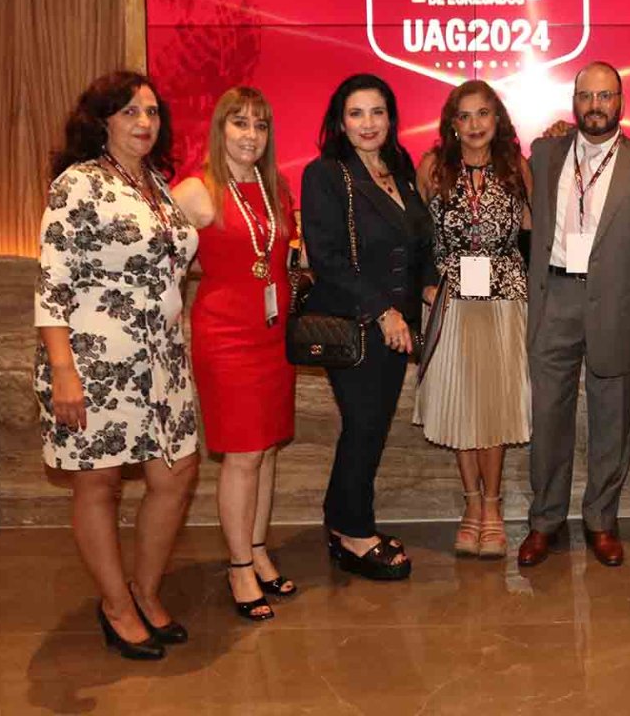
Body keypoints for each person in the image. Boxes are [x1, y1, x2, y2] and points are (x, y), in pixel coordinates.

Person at [35, 70, 199, 660]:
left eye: (152, 111)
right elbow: (52, 282)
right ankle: (116, 606)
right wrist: (64, 372)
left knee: (175, 473)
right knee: (98, 483)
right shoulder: (79, 183)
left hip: (162, 360)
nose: (144, 122)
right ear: (101, 121)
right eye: (130, 111)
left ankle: (145, 592)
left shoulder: (156, 183)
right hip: (94, 361)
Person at [517, 62, 630, 569]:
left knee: (612, 421)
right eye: (586, 96)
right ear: (574, 103)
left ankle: (602, 521)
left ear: (621, 102)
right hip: (554, 300)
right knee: (548, 420)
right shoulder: (545, 154)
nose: (595, 106)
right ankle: (545, 521)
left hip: (617, 308)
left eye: (605, 96)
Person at [301, 73, 436, 581]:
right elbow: (327, 257)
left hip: (397, 327)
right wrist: (383, 311)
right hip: (358, 323)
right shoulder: (325, 174)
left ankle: (343, 521)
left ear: (390, 118)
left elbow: (416, 240)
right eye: (356, 113)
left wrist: (428, 285)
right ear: (340, 121)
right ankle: (354, 532)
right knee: (363, 426)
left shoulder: (398, 166)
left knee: (372, 427)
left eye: (377, 112)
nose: (368, 123)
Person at [172, 87, 297, 621]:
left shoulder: (275, 188)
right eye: (239, 123)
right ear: (220, 128)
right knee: (243, 454)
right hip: (226, 338)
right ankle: (239, 565)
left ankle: (259, 550)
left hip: (274, 336)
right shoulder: (195, 191)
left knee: (267, 450)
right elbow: (156, 262)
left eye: (260, 125)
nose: (251, 135)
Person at [414, 80, 533, 560]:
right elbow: (416, 235)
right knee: (462, 405)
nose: (475, 124)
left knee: (494, 407)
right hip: (450, 303)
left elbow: (532, 234)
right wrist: (424, 283)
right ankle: (470, 506)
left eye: (483, 113)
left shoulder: (515, 167)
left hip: (504, 303)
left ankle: (494, 507)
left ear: (497, 119)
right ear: (452, 124)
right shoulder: (433, 167)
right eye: (464, 116)